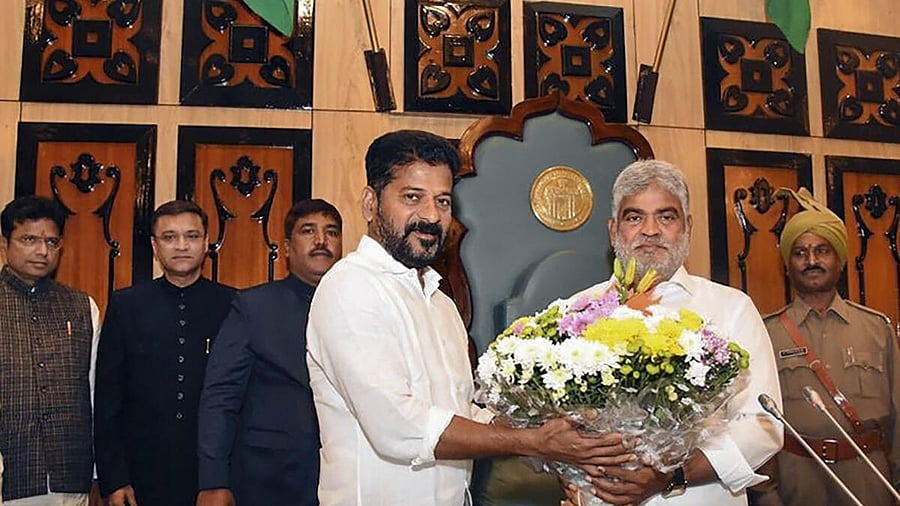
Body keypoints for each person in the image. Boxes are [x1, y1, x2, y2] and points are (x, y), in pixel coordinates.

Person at [306, 129, 632, 506]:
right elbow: (400, 428)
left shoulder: (440, 302)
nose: (430, 216)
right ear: (370, 203)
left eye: (443, 202)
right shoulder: (350, 288)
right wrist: (532, 442)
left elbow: (461, 411)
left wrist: (547, 429)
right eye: (413, 197)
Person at [560, 159, 783, 505]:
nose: (650, 230)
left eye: (666, 217)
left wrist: (672, 474)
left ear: (688, 227)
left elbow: (764, 425)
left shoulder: (731, 308)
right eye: (634, 217)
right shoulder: (577, 312)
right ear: (613, 229)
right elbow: (556, 426)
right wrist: (566, 468)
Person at [196, 199, 344, 506]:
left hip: (346, 477)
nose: (321, 241)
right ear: (287, 248)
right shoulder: (254, 307)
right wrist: (212, 480)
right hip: (269, 480)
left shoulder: (361, 308)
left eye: (331, 232)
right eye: (309, 231)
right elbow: (221, 396)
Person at [758, 188, 900, 505]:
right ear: (787, 264)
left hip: (869, 478)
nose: (811, 261)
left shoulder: (877, 328)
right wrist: (766, 495)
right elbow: (754, 421)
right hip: (796, 478)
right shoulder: (765, 332)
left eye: (822, 250)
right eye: (800, 252)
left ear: (840, 260)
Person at [94, 200, 235, 506]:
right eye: (170, 237)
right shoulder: (126, 306)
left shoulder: (234, 305)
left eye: (192, 236)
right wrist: (114, 479)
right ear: (155, 246)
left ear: (207, 242)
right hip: (141, 474)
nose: (181, 246)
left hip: (212, 476)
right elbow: (108, 402)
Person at [0, 195, 100, 506]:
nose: (42, 251)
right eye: (29, 239)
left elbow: (96, 394)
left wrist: (99, 473)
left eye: (52, 241)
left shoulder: (83, 306)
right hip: (8, 477)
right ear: (5, 243)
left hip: (69, 479)